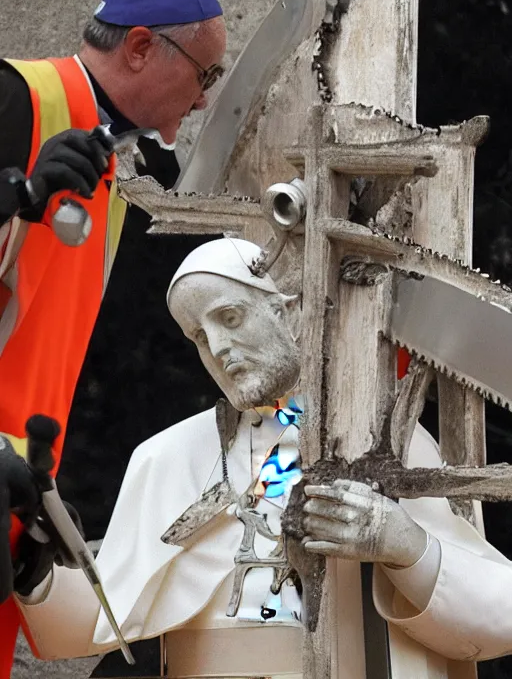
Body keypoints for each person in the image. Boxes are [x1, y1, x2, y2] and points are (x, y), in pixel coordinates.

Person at [9, 237, 512, 677]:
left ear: (286, 312)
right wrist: (35, 570)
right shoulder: (165, 457)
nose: (220, 348)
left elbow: (498, 615)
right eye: (200, 337)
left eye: (230, 317)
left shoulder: (382, 441)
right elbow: (105, 624)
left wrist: (404, 544)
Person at [0, 0, 226, 677]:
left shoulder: (111, 165)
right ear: (138, 48)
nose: (201, 103)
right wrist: (19, 195)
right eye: (205, 76)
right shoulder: (15, 99)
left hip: (17, 491)